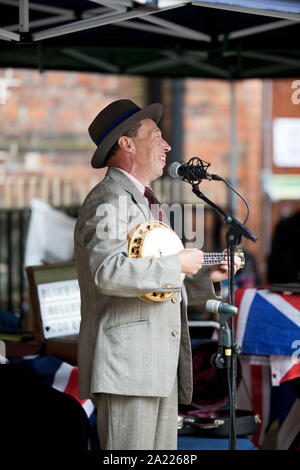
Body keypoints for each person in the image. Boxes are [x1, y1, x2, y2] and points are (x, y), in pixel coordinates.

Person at [74, 99, 241, 450]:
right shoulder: (108, 200)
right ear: (126, 143)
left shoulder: (142, 201)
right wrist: (176, 263)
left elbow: (151, 276)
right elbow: (108, 272)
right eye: (157, 136)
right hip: (128, 370)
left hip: (154, 369)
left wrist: (205, 275)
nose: (167, 146)